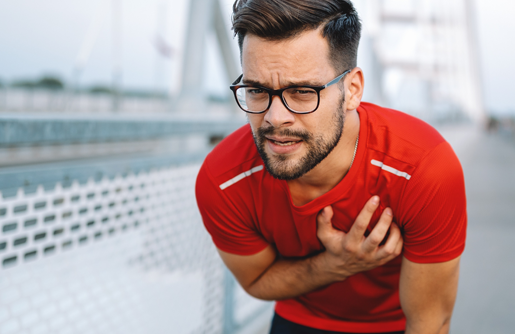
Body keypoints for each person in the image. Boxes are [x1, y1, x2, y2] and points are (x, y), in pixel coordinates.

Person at [195, 1, 467, 333]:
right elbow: (257, 281)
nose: (274, 118)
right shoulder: (224, 179)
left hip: (394, 324)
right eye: (256, 90)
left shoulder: (423, 167)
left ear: (351, 91)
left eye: (301, 92)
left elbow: (430, 322)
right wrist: (335, 266)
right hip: (299, 319)